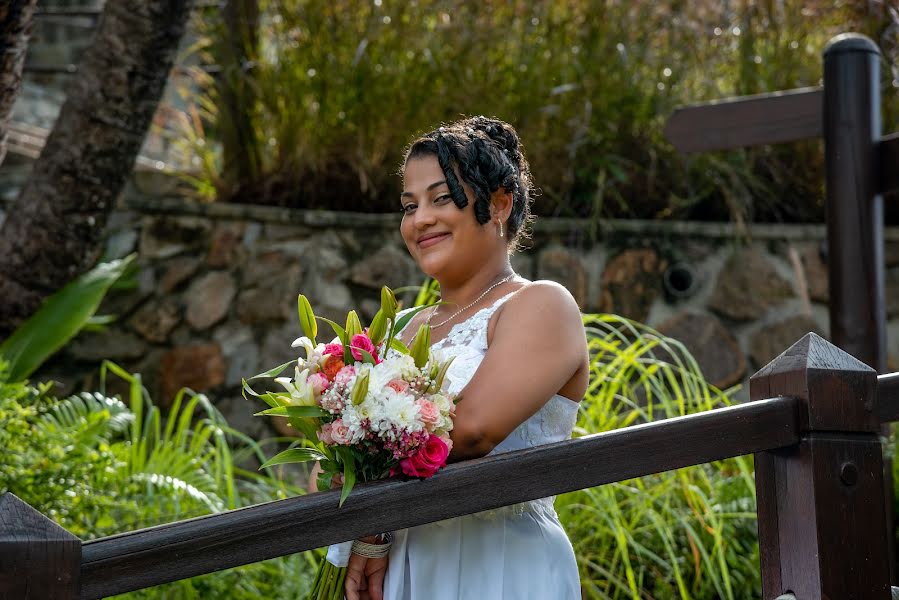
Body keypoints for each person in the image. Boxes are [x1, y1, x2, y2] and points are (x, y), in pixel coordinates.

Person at [344, 116, 588, 600]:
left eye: (440, 198)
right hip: (405, 568)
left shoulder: (539, 305)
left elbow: (472, 429)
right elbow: (331, 470)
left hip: (499, 562)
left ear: (499, 203)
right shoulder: (401, 327)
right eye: (409, 205)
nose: (420, 220)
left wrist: (357, 453)